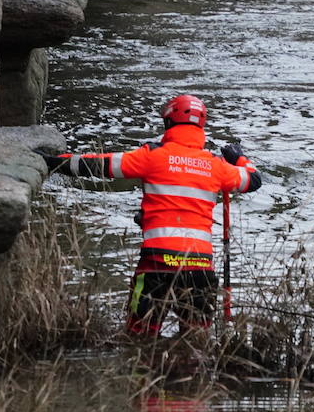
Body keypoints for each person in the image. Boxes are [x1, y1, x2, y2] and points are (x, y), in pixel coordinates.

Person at [43, 94, 262, 338]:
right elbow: (253, 180)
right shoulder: (216, 165)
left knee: (139, 336)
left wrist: (52, 162)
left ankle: (141, 374)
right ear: (201, 126)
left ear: (168, 123)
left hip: (156, 263)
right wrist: (239, 157)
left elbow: (99, 165)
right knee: (196, 342)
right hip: (200, 266)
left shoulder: (152, 156)